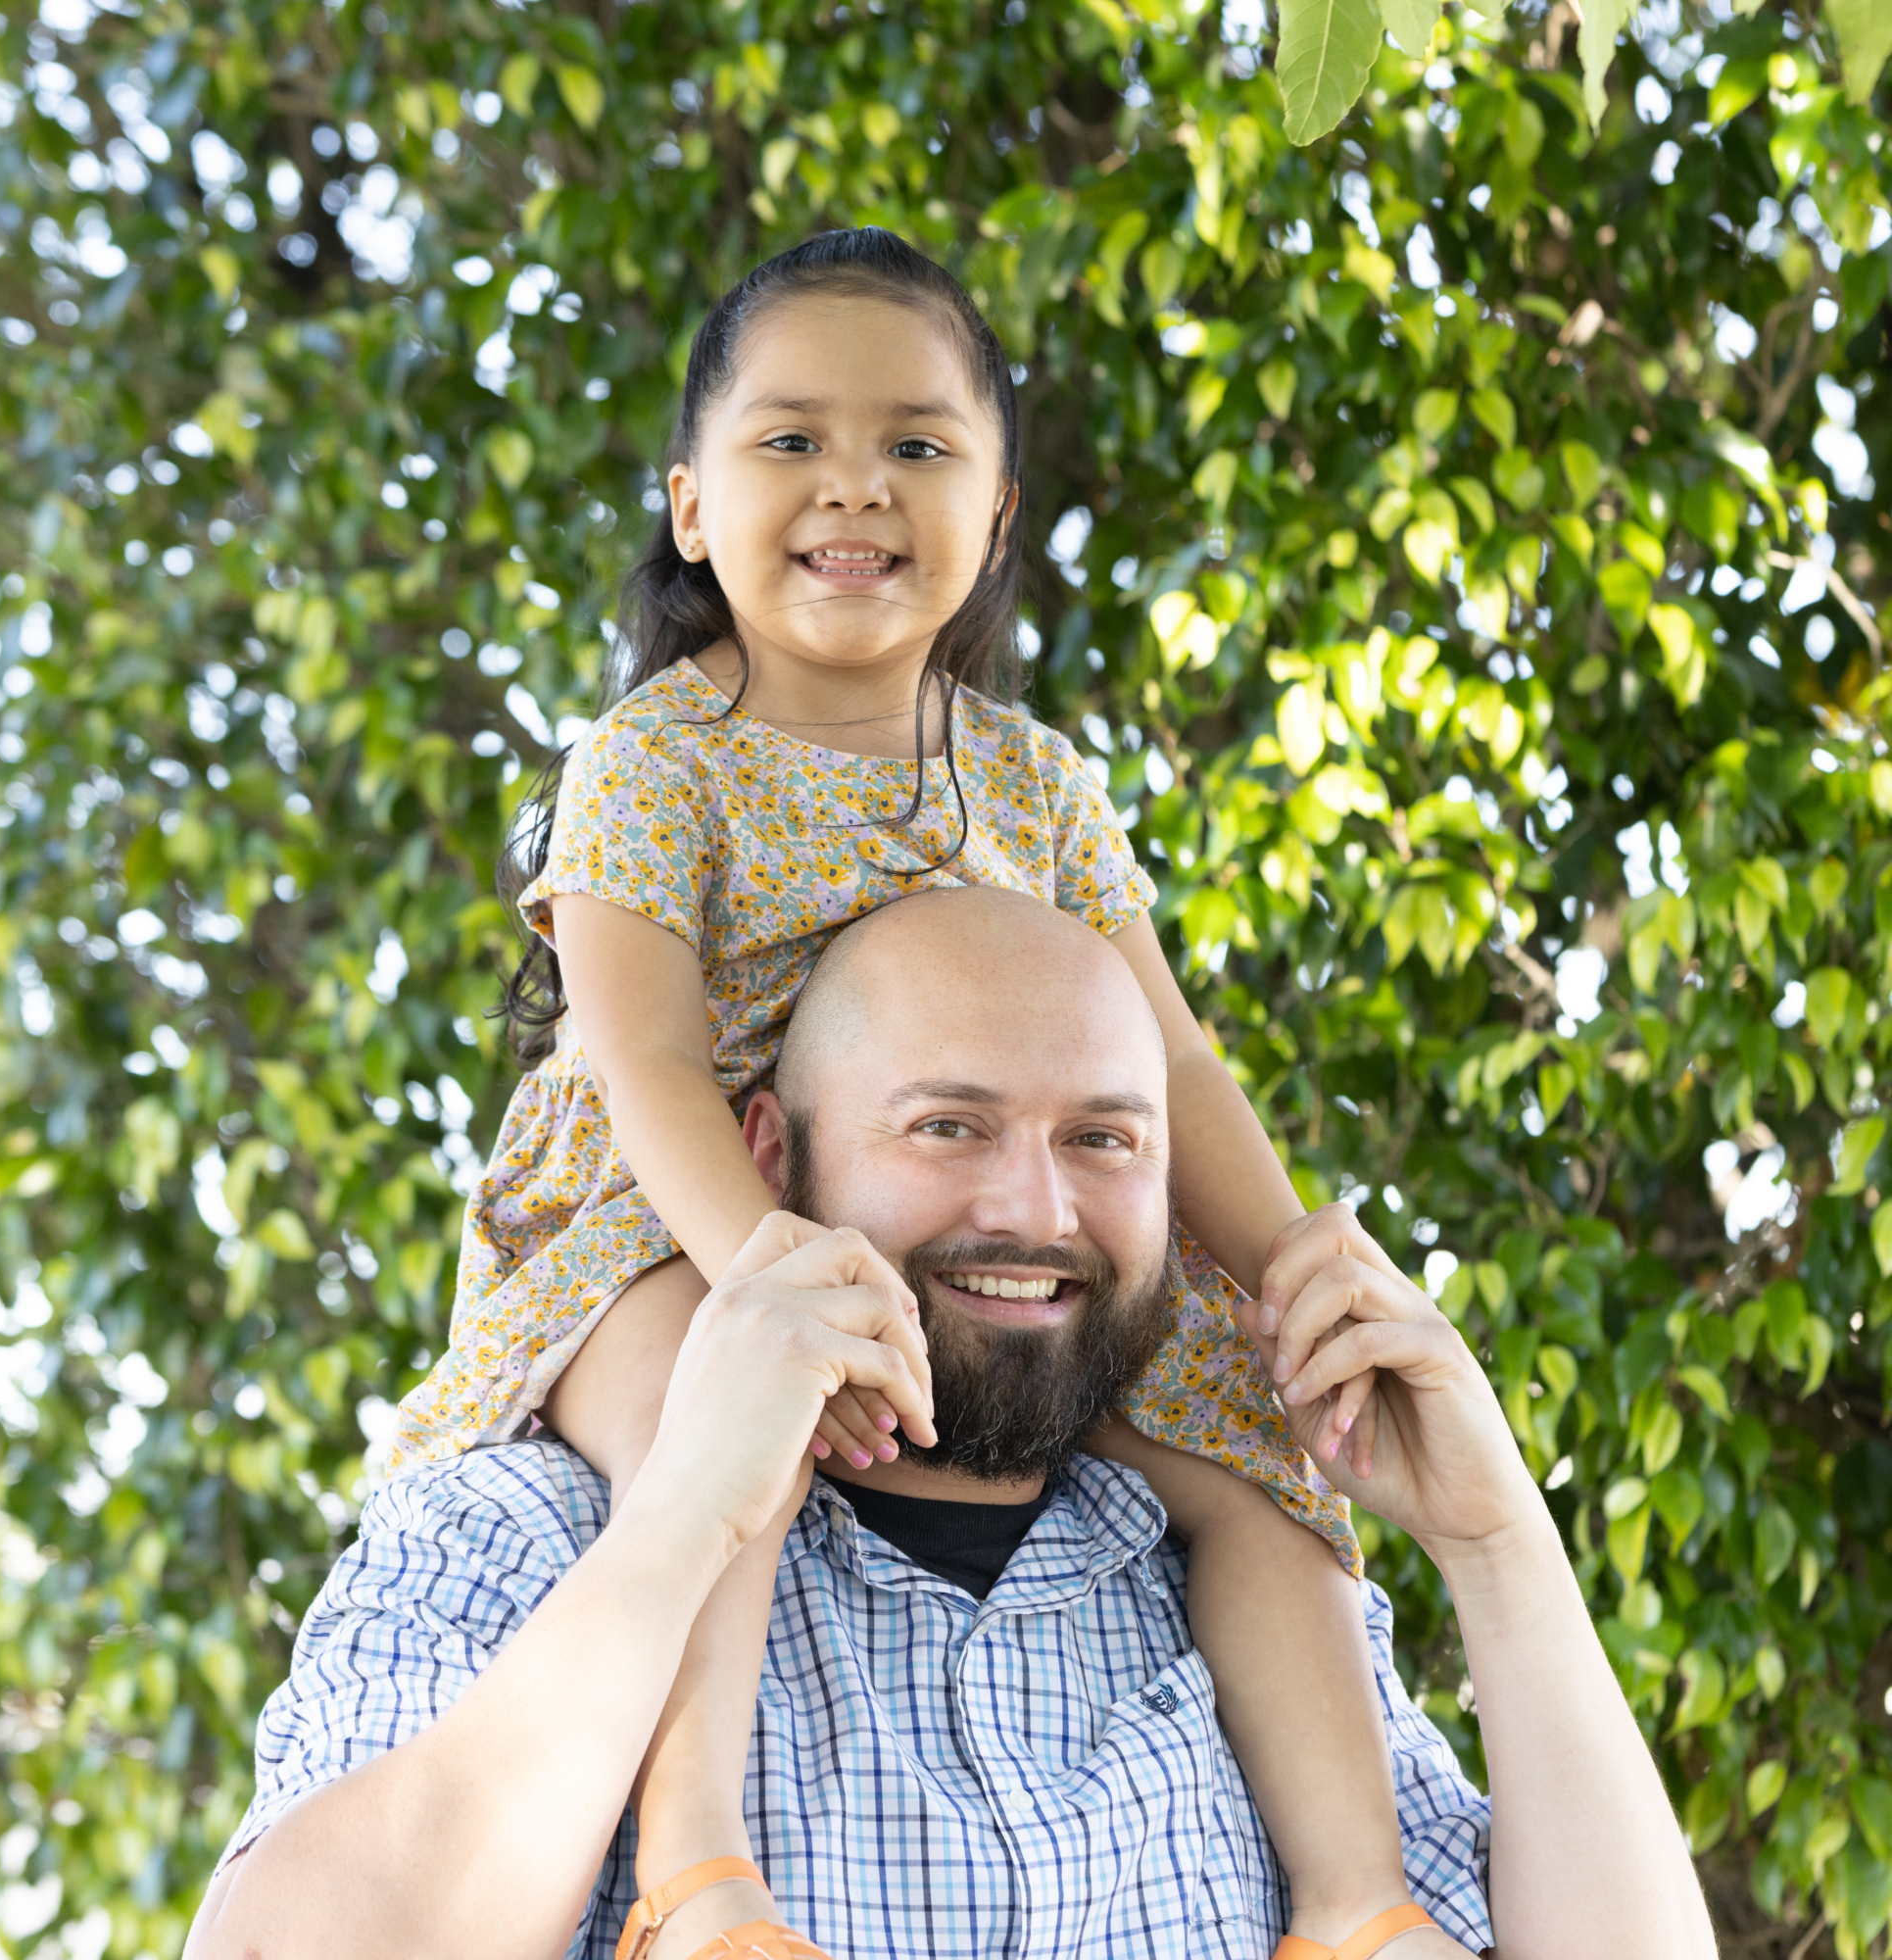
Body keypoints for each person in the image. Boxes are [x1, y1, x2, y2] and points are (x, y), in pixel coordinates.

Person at [386, 226, 1419, 1959]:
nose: (852, 485)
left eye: (917, 447)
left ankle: (1355, 1899)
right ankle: (700, 1873)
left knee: (1258, 1437)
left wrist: (1299, 1268)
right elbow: (634, 1057)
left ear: (997, 517)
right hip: (679, 1197)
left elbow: (1166, 1060)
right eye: (790, 441)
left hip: (976, 1207)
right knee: (694, 1428)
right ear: (693, 506)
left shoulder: (1040, 782)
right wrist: (766, 1279)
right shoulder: (651, 759)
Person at [186, 890, 1718, 1960]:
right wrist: (678, 1524)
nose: (1035, 1209)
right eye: (949, 1126)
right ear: (773, 1157)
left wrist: (1500, 1547)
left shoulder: (1251, 1603)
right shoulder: (529, 1527)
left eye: (1103, 1141)